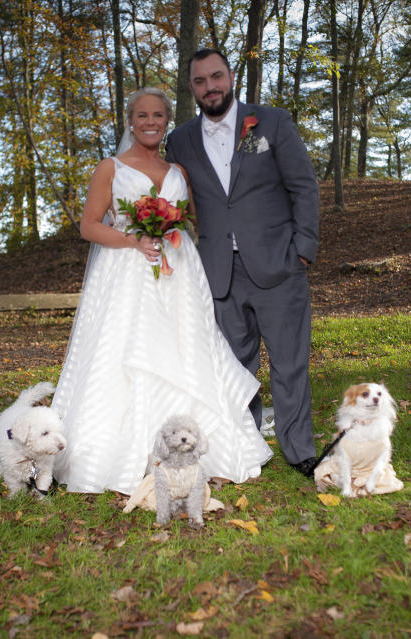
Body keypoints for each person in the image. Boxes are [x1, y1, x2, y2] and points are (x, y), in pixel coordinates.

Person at [51, 87, 272, 495]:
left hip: (178, 272)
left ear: (167, 120)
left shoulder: (180, 172)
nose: (150, 122)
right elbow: (90, 226)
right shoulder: (110, 168)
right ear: (130, 121)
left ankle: (202, 448)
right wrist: (134, 240)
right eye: (142, 116)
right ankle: (118, 454)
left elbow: (194, 220)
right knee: (126, 352)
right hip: (126, 272)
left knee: (185, 346)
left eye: (157, 115)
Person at [165, 49, 321, 477]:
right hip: (218, 271)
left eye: (216, 76)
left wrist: (303, 247)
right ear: (192, 87)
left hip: (279, 264)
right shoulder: (179, 140)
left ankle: (299, 449)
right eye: (200, 81)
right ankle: (248, 448)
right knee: (235, 369)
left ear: (231, 77)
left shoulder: (270, 122)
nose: (210, 86)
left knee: (290, 364)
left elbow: (304, 186)